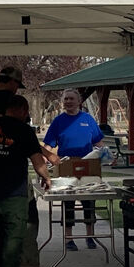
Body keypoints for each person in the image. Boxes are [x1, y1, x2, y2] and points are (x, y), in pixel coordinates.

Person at [0, 94, 51, 267]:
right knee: (14, 234)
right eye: (26, 112)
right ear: (22, 110)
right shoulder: (23, 130)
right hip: (13, 191)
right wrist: (47, 177)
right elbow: (37, 161)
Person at [42, 88, 105, 251]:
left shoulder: (88, 119)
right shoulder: (58, 121)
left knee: (89, 202)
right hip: (66, 167)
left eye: (71, 99)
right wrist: (43, 158)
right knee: (68, 203)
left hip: (87, 167)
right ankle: (69, 238)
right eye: (66, 99)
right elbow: (48, 145)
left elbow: (99, 143)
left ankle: (90, 237)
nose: (68, 102)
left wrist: (107, 155)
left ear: (79, 101)